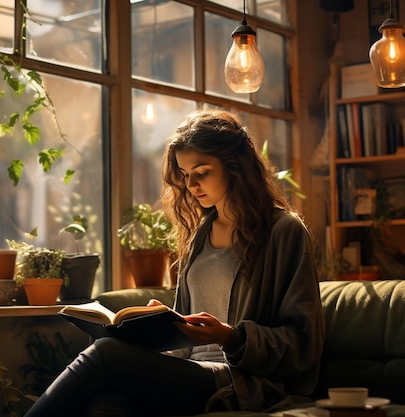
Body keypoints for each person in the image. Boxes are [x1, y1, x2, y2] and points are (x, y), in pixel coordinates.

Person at [23, 109, 325, 417]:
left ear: (235, 166)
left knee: (104, 356)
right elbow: (185, 340)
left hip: (243, 381)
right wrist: (160, 326)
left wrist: (229, 337)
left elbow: (302, 345)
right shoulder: (200, 237)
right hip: (190, 371)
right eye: (184, 174)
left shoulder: (283, 231)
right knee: (106, 405)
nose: (191, 184)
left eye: (202, 171)